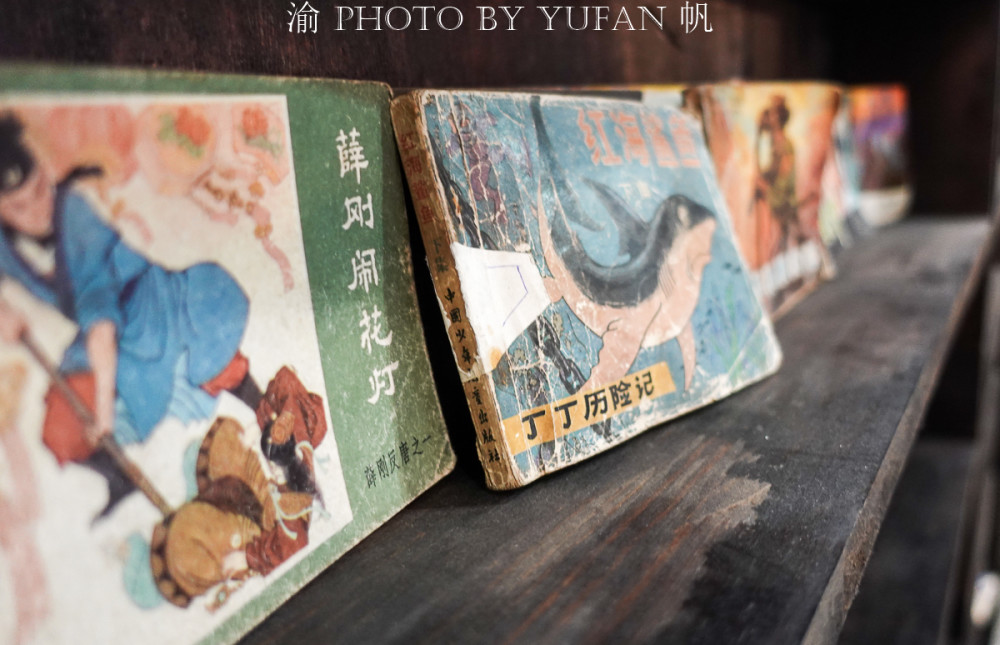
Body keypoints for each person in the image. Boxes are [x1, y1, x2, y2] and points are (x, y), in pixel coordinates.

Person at [0, 112, 266, 509]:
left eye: (41, 189)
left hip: (143, 303)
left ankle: (268, 414)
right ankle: (120, 479)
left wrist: (104, 415)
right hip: (96, 335)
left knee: (210, 357)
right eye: (20, 207)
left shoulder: (75, 213)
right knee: (62, 422)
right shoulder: (5, 244)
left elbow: (100, 323)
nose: (39, 209)